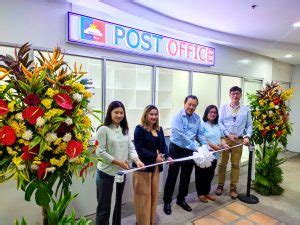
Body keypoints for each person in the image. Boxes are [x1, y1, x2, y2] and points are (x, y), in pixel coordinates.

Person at [95, 101, 144, 225]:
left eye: (121, 112)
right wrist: (118, 162)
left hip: (120, 174)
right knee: (104, 207)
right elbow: (100, 152)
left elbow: (130, 148)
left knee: (117, 204)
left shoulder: (125, 129)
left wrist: (137, 161)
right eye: (116, 112)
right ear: (110, 113)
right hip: (105, 173)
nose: (119, 115)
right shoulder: (103, 129)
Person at [163, 95, 207, 215]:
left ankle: (181, 199)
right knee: (172, 176)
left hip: (189, 151)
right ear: (184, 104)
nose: (191, 107)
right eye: (189, 104)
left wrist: (205, 148)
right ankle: (167, 201)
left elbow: (200, 134)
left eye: (194, 105)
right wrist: (197, 147)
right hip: (176, 149)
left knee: (186, 176)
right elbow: (182, 136)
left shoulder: (197, 118)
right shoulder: (177, 117)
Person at [133, 105, 173, 225]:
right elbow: (139, 149)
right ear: (146, 115)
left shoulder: (159, 129)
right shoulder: (139, 129)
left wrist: (167, 156)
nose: (154, 116)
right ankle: (142, 222)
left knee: (153, 196)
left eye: (156, 114)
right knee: (143, 197)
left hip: (155, 167)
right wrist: (155, 157)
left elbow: (163, 146)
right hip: (143, 168)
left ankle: (151, 221)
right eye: (151, 114)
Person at [215, 86, 252, 199]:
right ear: (229, 94)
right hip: (226, 139)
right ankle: (220, 185)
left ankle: (233, 187)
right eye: (233, 93)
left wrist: (247, 136)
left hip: (239, 140)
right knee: (222, 164)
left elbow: (249, 125)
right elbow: (220, 122)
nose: (235, 95)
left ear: (241, 95)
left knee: (235, 164)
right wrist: (227, 134)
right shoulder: (223, 108)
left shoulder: (246, 110)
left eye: (237, 93)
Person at [195, 105, 229, 203]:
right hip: (204, 155)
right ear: (206, 113)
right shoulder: (202, 123)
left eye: (215, 112)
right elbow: (201, 138)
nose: (213, 114)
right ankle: (201, 194)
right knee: (201, 174)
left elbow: (222, 137)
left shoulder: (217, 125)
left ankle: (207, 192)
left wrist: (225, 144)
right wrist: (214, 146)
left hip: (215, 155)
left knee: (210, 174)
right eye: (211, 112)